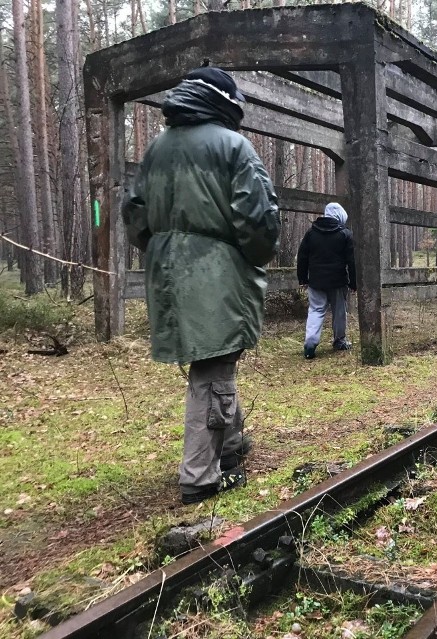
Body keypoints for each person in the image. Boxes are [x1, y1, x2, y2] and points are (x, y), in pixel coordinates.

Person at [121, 66, 280, 505]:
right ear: (226, 104)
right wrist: (250, 255)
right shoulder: (233, 146)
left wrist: (163, 248)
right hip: (216, 270)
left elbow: (134, 212)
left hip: (168, 271)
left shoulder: (156, 148)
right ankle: (200, 476)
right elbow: (258, 219)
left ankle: (229, 445)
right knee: (212, 370)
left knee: (217, 357)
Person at [296, 203, 356, 359]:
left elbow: (302, 257)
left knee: (316, 310)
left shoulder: (311, 233)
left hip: (316, 281)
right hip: (338, 281)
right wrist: (353, 283)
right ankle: (339, 341)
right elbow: (352, 261)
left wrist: (303, 278)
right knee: (339, 311)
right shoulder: (345, 234)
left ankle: (310, 343)